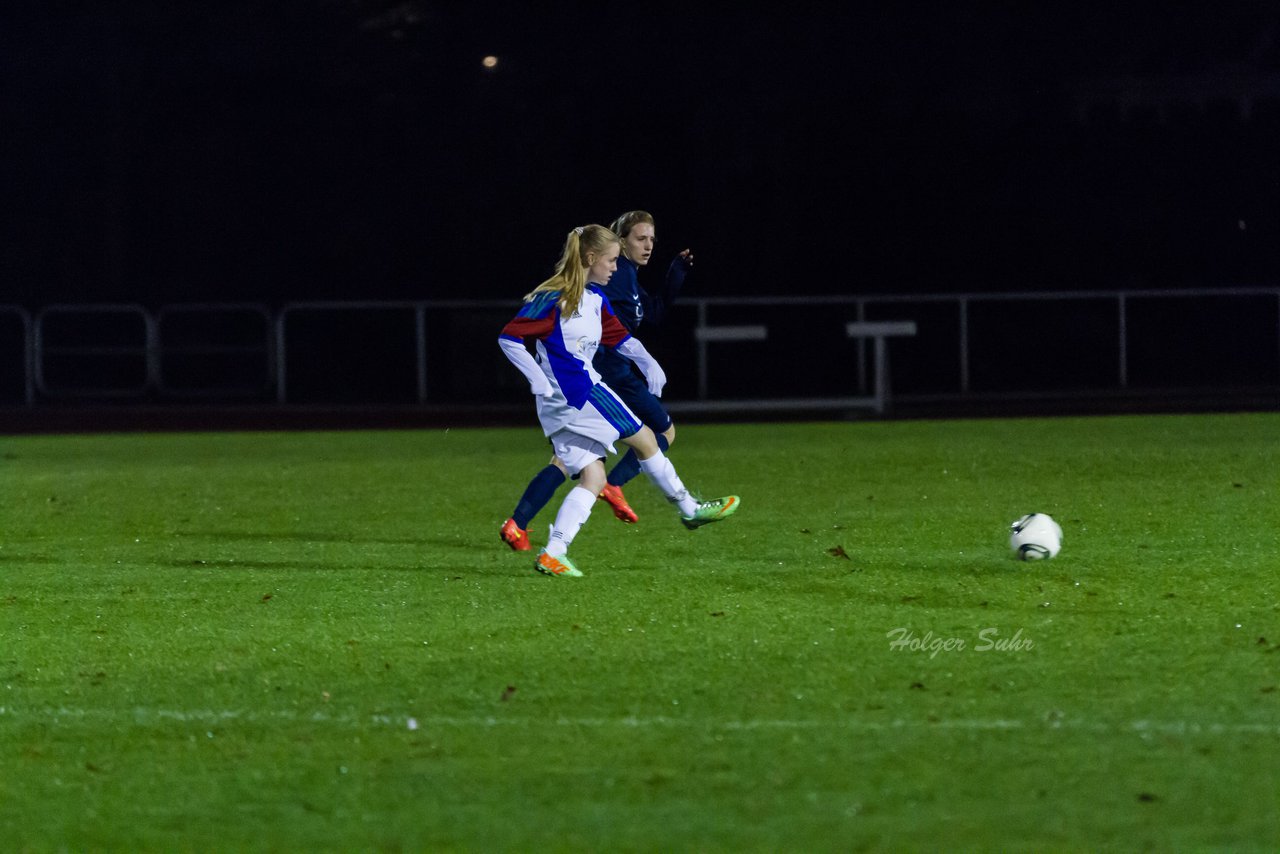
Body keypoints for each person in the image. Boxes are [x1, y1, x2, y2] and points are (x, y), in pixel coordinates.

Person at [497, 224, 737, 577]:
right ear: (591, 259)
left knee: (593, 478)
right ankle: (689, 508)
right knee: (647, 439)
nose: (614, 267)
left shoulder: (595, 300)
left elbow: (620, 340)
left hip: (563, 405)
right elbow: (510, 337)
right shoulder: (556, 299)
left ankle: (554, 552)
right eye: (610, 260)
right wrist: (535, 377)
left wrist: (647, 361)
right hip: (580, 395)